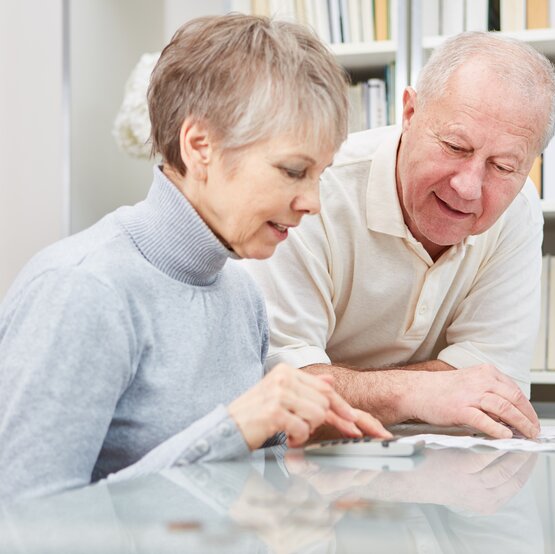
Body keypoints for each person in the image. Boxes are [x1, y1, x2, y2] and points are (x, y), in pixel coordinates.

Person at [0, 14, 389, 504]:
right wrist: (232, 429)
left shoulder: (240, 290)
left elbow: (233, 490)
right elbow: (24, 522)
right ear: (200, 146)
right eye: (294, 171)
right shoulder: (83, 290)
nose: (313, 201)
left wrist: (302, 478)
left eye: (320, 175)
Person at [244, 32, 555, 439]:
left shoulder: (517, 209)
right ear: (409, 112)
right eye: (455, 146)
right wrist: (416, 392)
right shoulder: (313, 191)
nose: (468, 187)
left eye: (502, 167)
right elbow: (283, 391)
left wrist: (354, 386)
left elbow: (496, 388)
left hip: (434, 475)